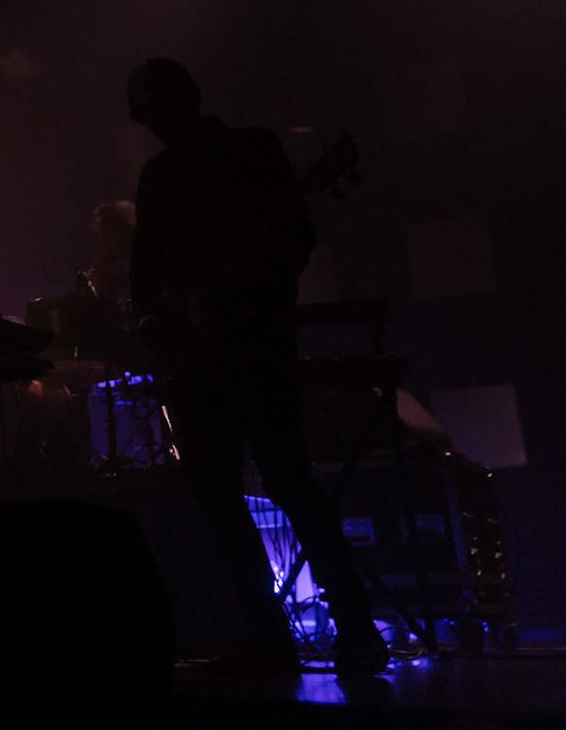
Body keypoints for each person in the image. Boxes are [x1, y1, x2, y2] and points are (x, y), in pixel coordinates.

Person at [126, 58, 389, 680]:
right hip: (220, 355)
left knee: (275, 486)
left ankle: (326, 632)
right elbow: (148, 279)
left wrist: (234, 290)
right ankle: (314, 631)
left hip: (249, 348)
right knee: (252, 491)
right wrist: (172, 314)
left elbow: (292, 240)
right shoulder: (183, 169)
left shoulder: (228, 157)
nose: (157, 123)